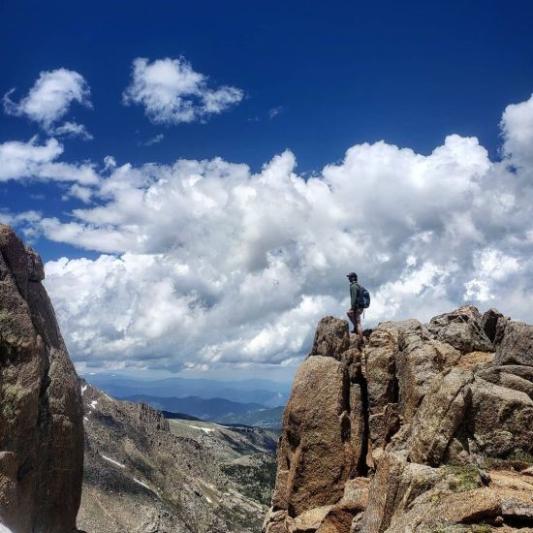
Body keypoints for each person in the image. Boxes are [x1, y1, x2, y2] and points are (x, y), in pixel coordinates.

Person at [346, 272, 364, 340]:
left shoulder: (353, 286)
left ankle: (361, 339)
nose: (349, 279)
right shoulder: (358, 285)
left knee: (358, 323)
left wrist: (352, 308)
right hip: (360, 307)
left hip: (357, 307)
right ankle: (355, 328)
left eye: (350, 277)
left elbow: (353, 298)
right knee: (356, 320)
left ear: (353, 278)